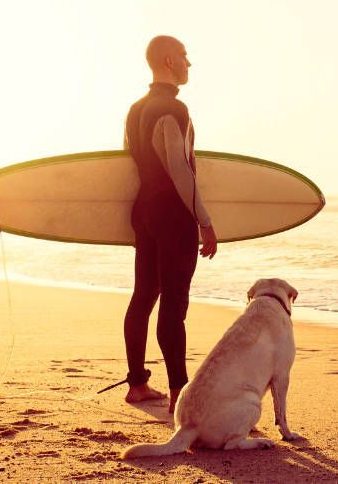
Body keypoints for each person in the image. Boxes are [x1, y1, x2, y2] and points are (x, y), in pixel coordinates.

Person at [122, 35, 217, 413]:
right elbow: (180, 170)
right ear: (167, 60)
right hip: (174, 216)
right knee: (174, 304)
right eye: (183, 56)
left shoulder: (134, 109)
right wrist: (205, 222)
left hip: (144, 213)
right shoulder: (174, 109)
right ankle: (180, 391)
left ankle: (137, 385)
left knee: (143, 297)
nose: (189, 63)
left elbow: (127, 165)